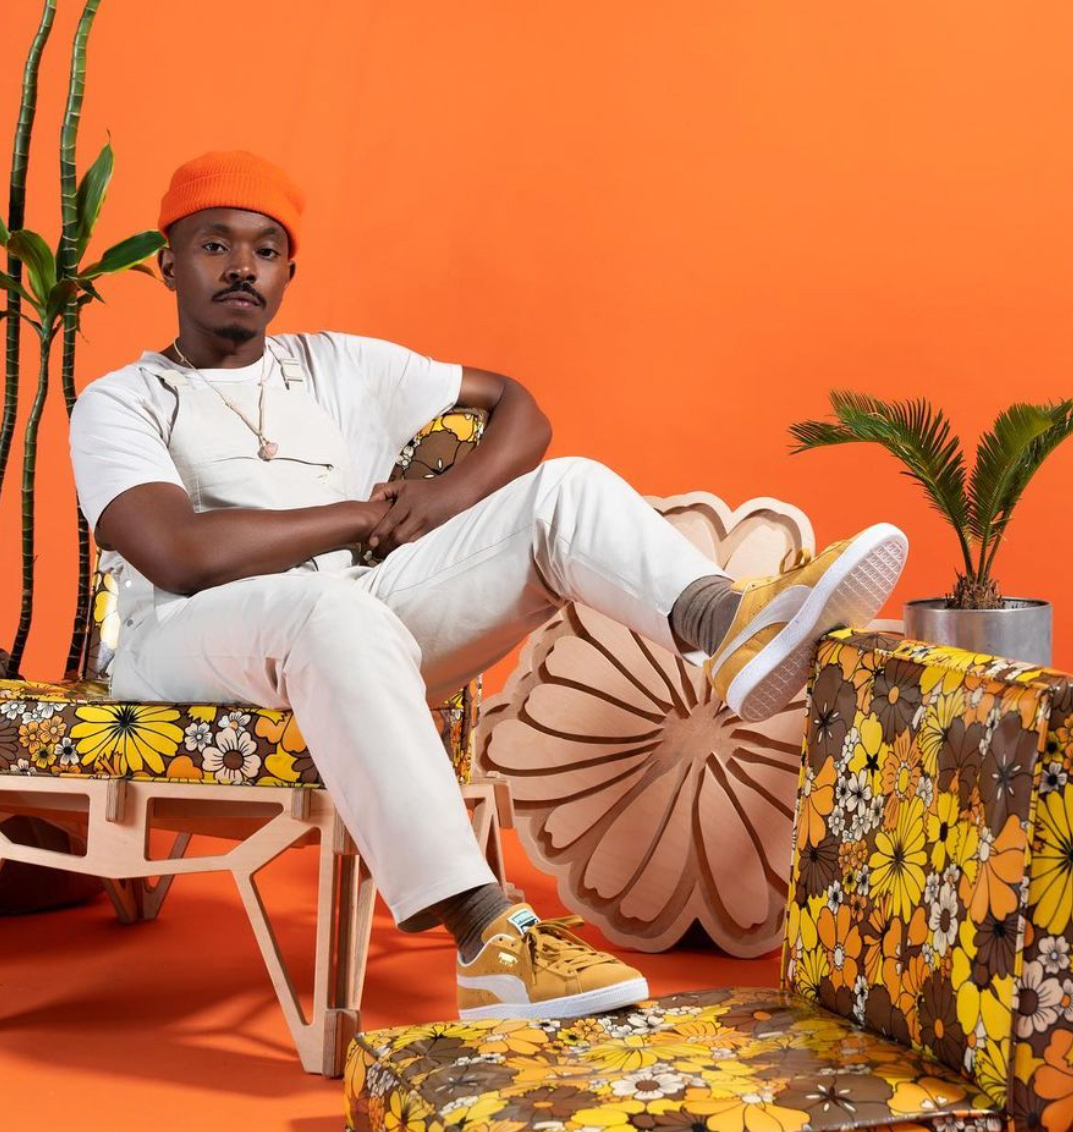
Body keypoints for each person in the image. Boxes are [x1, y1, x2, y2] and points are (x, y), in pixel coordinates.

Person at [69, 150, 908, 1022]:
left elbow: (518, 406)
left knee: (564, 489)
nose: (242, 267)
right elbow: (178, 552)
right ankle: (490, 938)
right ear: (166, 263)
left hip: (350, 629)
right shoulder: (124, 400)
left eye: (266, 250)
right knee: (329, 605)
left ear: (288, 273)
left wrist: (446, 498)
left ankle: (731, 624)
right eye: (215, 245)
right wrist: (364, 517)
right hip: (185, 638)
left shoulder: (337, 366)